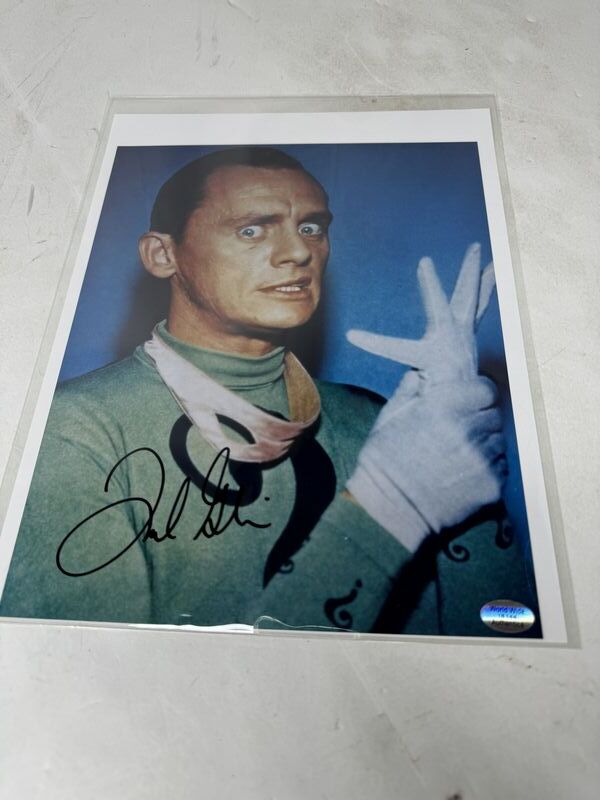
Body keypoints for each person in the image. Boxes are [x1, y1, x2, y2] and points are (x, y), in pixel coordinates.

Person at [0, 147, 539, 635]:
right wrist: (389, 504)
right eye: (252, 230)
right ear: (163, 255)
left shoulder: (375, 419)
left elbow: (501, 632)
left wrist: (474, 490)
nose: (299, 252)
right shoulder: (73, 430)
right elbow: (108, 690)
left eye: (312, 227)